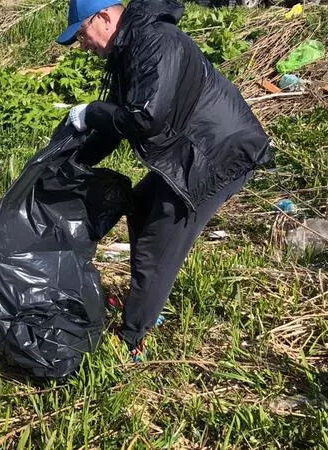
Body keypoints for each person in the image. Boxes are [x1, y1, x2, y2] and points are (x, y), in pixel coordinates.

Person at [56, 0, 272, 360]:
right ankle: (145, 309)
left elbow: (145, 118)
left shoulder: (154, 41)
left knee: (158, 243)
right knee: (140, 208)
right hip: (195, 151)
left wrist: (91, 111)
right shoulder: (131, 47)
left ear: (104, 17)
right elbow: (118, 124)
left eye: (82, 34)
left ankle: (132, 340)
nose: (83, 45)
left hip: (217, 154)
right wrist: (69, 162)